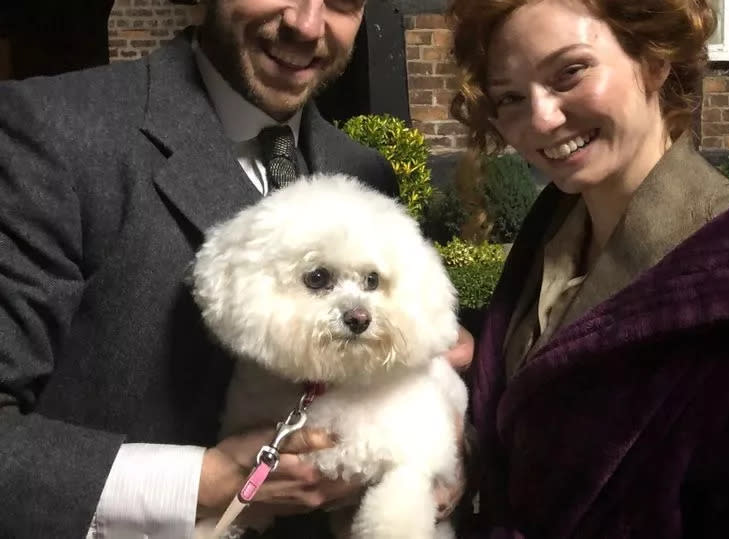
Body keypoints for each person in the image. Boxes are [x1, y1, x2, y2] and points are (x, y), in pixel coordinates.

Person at [0, 0, 473, 537]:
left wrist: (437, 444)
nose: (307, 24)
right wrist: (199, 483)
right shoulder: (51, 129)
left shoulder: (365, 170)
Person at [447, 0, 729, 537]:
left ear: (655, 57)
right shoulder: (549, 237)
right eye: (510, 98)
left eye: (570, 71)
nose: (542, 117)